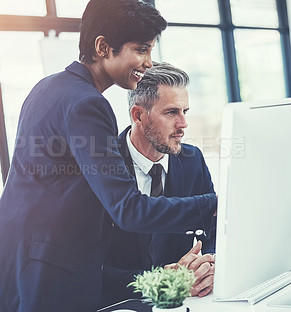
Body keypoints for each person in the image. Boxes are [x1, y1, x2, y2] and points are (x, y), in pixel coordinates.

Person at [0, 1, 217, 311]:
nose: (149, 62)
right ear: (103, 47)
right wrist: (213, 205)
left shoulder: (49, 87)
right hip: (44, 265)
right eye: (141, 49)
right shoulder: (87, 104)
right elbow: (128, 209)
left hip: (15, 258)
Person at [101, 62, 216, 307]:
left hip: (187, 302)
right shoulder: (103, 168)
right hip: (122, 304)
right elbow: (89, 267)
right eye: (172, 112)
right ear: (138, 115)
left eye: (185, 111)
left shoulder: (192, 160)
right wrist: (159, 280)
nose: (183, 124)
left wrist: (208, 264)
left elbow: (215, 230)